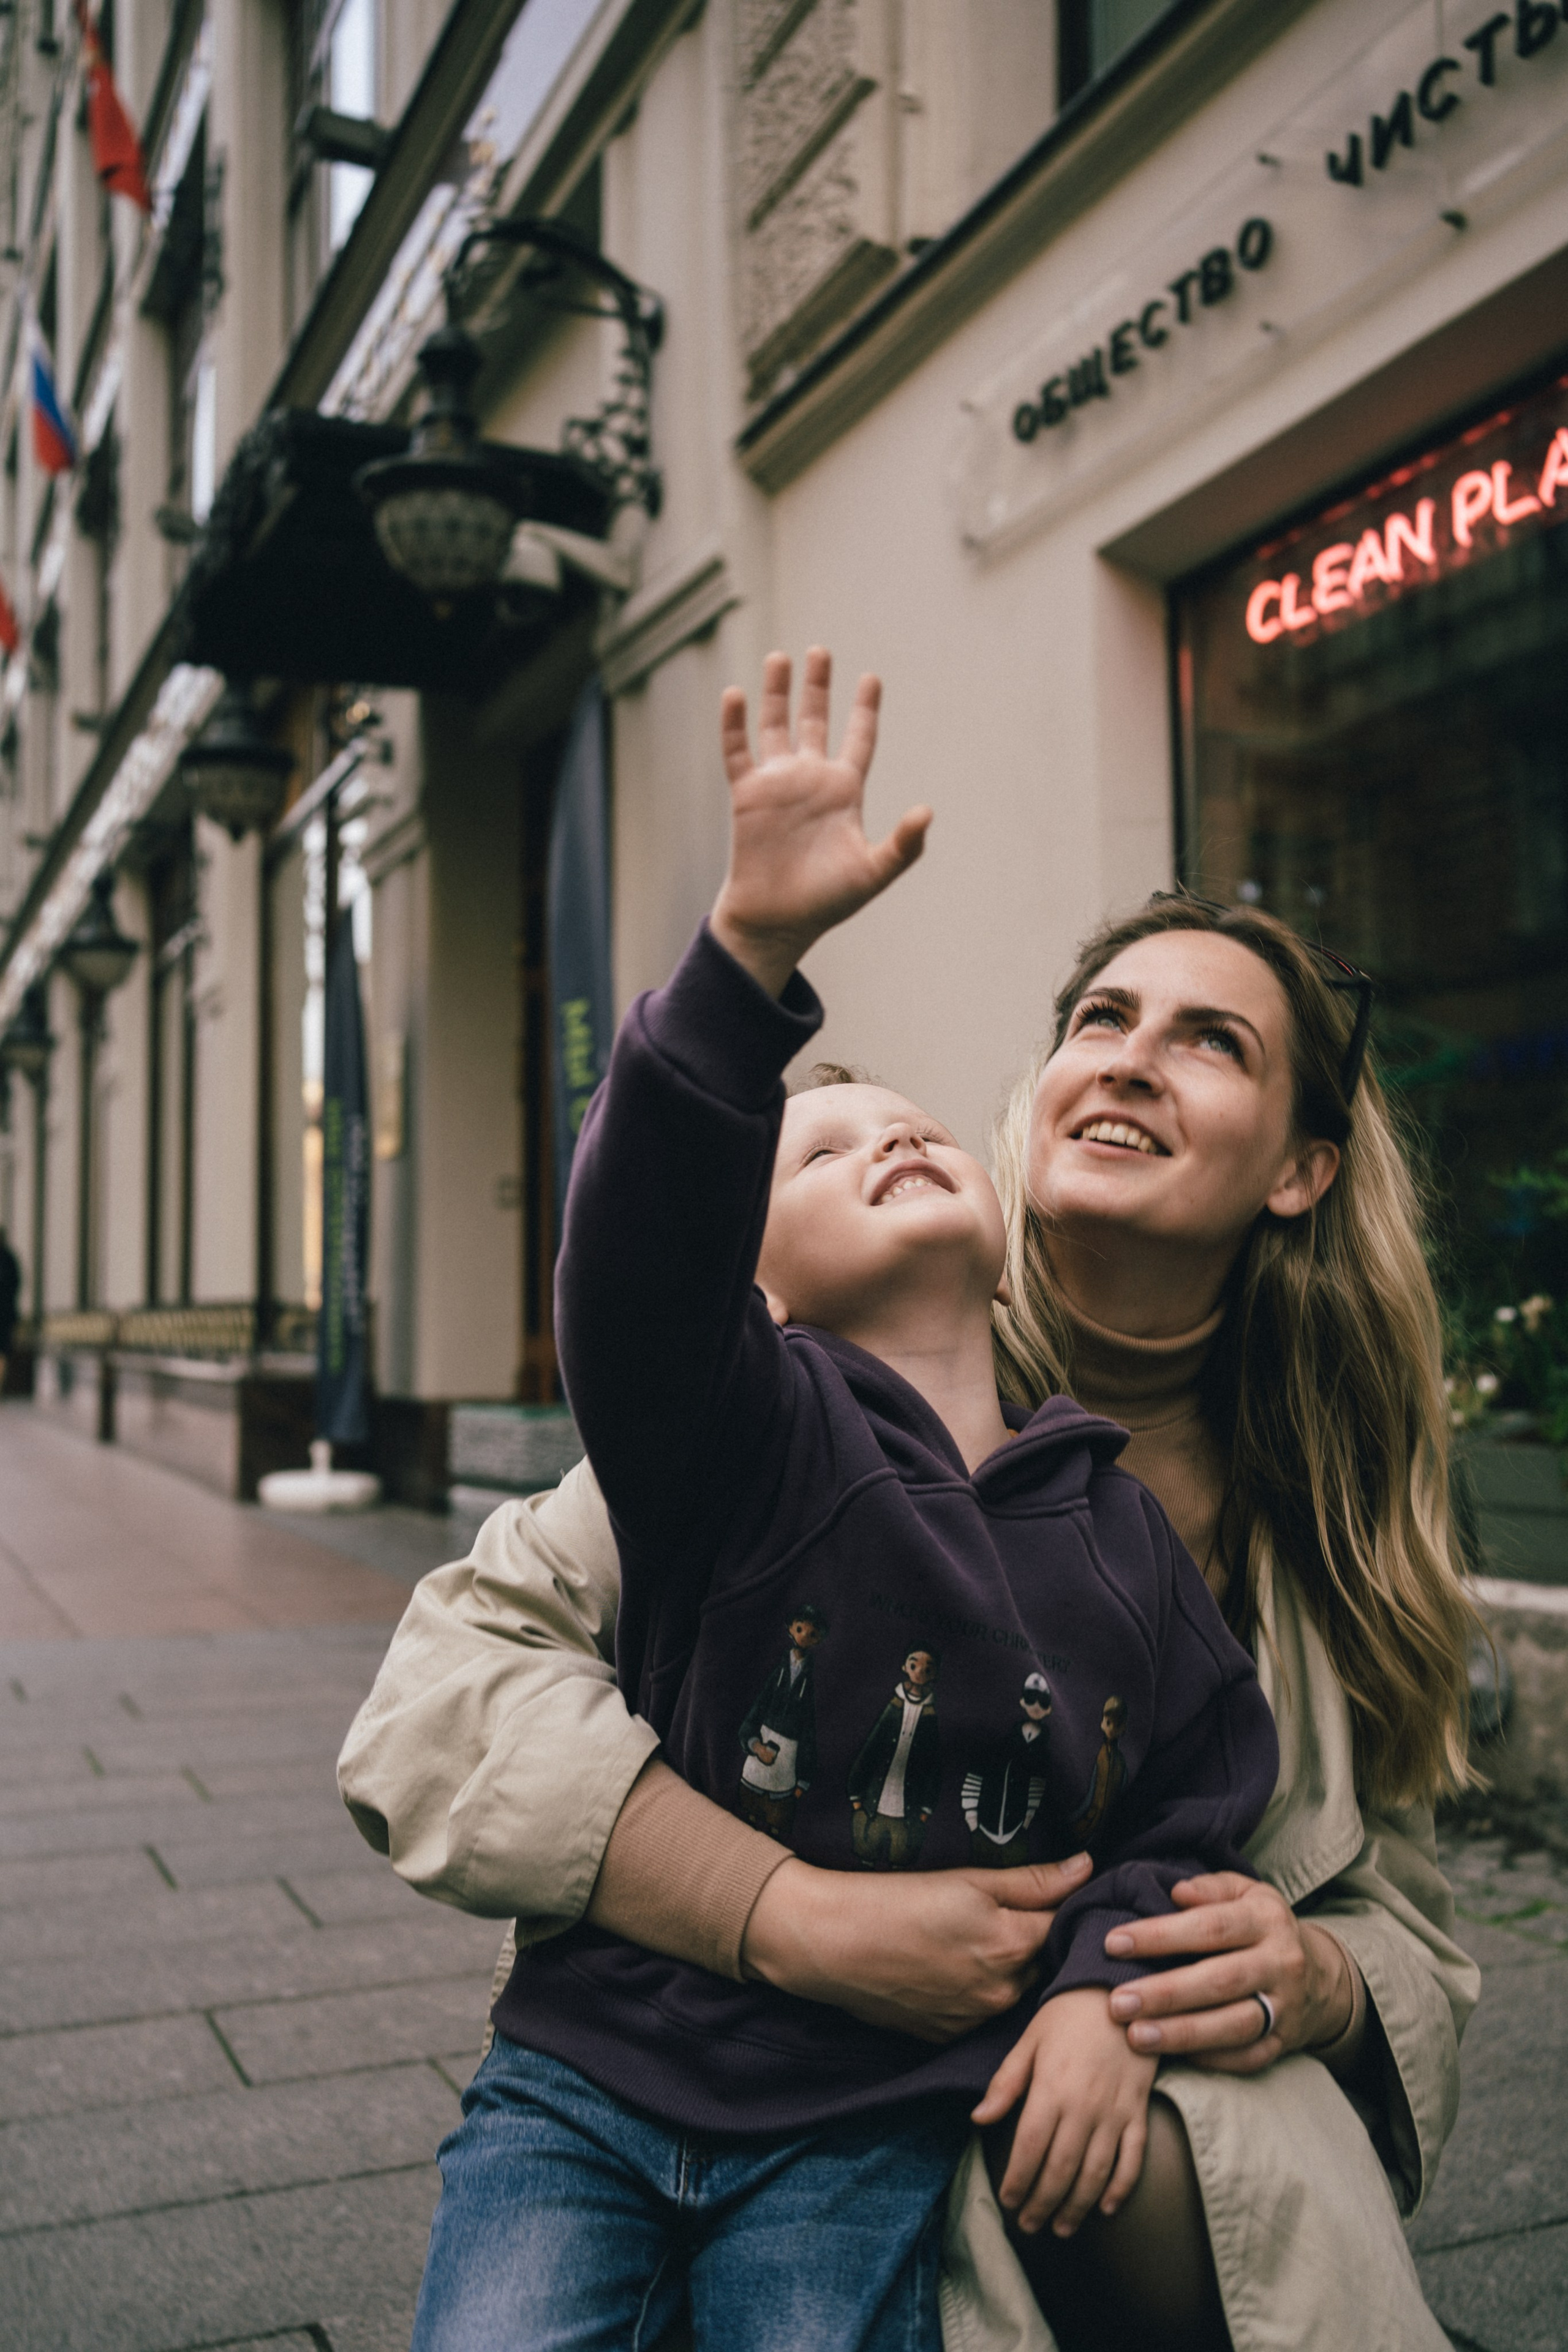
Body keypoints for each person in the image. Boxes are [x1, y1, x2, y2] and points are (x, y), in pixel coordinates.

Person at [340, 651, 1481, 2352]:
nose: (1132, 1059)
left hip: (1080, 2124)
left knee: (1181, 2145)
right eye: (1101, 1019)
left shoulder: (1326, 1518)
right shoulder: (827, 1389)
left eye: (1211, 1041)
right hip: (719, 2080)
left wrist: (1311, 1978)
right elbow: (445, 1699)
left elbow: (1385, 1919)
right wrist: (786, 1914)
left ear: (1302, 1169)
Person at [0, 1226, 20, 1397]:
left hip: (5, 1314)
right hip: (6, 1314)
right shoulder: (10, 1259)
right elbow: (17, 1284)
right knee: (3, 1352)